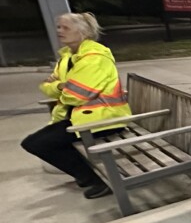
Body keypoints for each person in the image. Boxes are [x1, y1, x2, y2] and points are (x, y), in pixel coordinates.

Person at [21, 12, 131, 199]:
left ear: (83, 32)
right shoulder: (67, 58)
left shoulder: (94, 58)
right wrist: (61, 86)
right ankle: (88, 175)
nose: (59, 31)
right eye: (58, 27)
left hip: (103, 120)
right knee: (34, 142)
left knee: (37, 143)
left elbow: (76, 95)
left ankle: (94, 180)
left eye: (65, 28)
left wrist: (61, 87)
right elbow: (46, 86)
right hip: (80, 118)